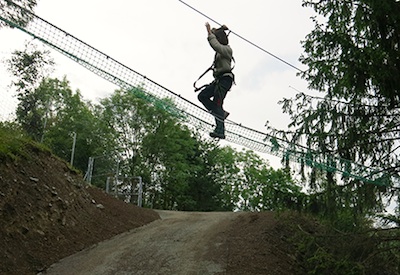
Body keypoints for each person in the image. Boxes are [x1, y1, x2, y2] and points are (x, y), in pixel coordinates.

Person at [198, 22, 234, 139]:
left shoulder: (227, 50)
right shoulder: (222, 50)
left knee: (217, 104)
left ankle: (221, 131)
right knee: (202, 96)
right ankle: (220, 113)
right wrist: (220, 28)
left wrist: (209, 33)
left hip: (225, 80)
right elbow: (216, 38)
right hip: (219, 80)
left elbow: (215, 45)